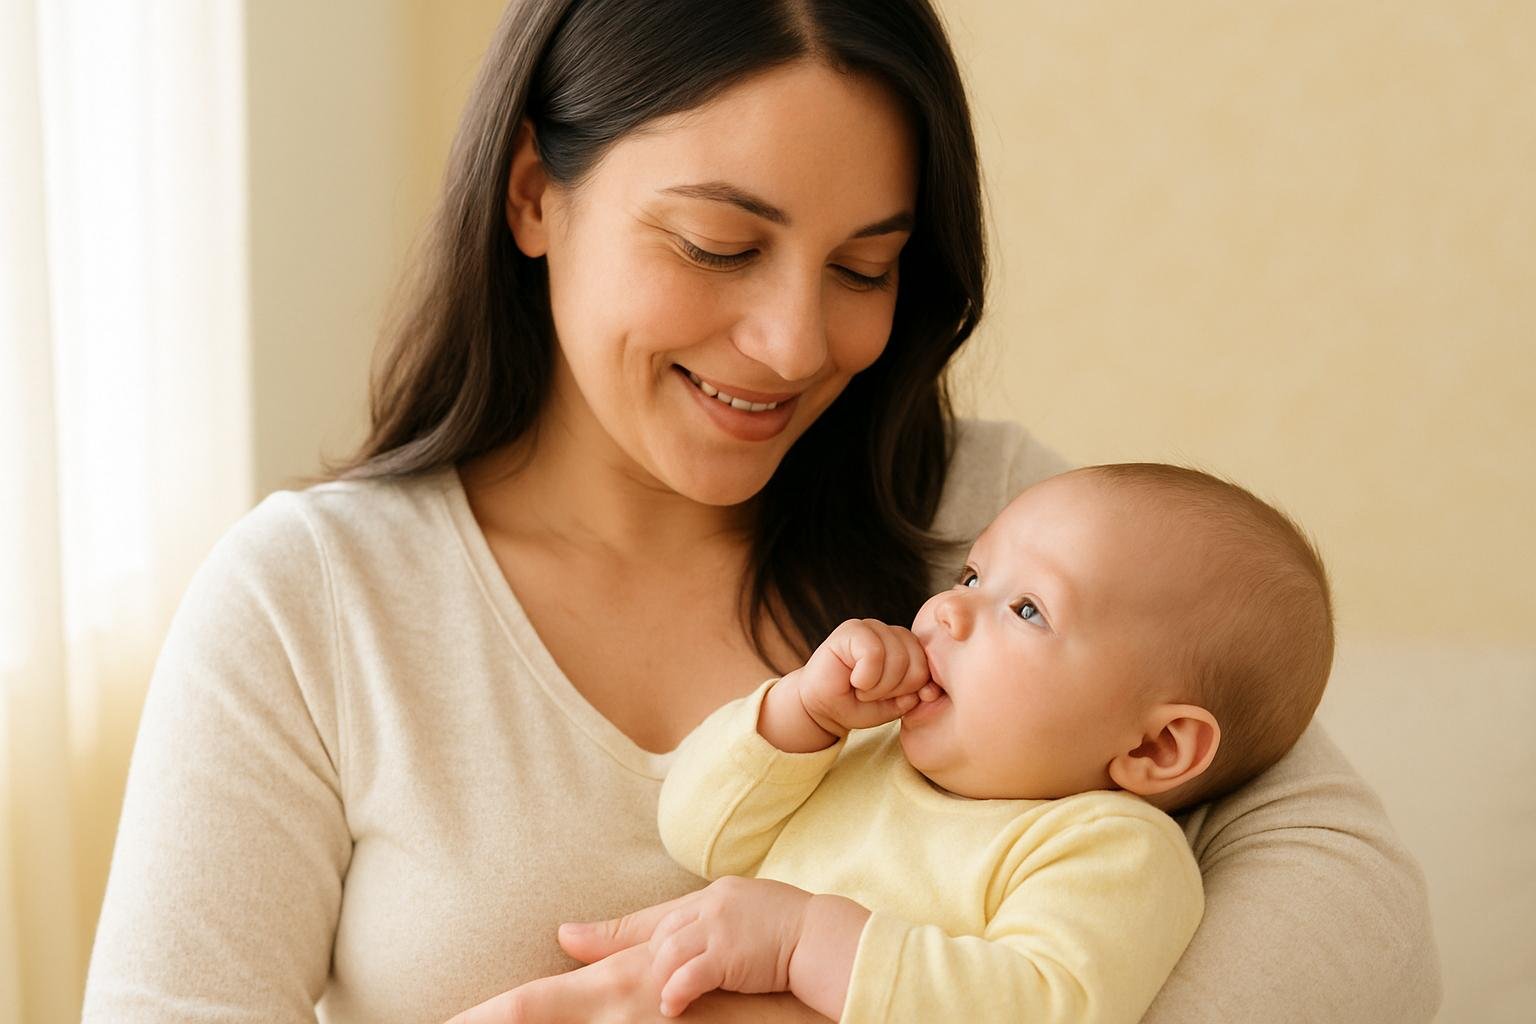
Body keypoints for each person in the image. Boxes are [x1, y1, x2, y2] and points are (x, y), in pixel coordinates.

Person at [81, 1, 1440, 1022]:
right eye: (718, 246)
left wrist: (813, 993)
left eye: (866, 267)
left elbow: (1362, 921)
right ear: (535, 191)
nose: (795, 345)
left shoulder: (1006, 523)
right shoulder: (315, 600)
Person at [545, 464, 1331, 1023]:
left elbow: (1040, 1004)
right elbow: (696, 835)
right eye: (970, 576)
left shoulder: (1109, 850)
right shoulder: (868, 751)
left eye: (1026, 610)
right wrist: (799, 715)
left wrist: (800, 942)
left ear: (1157, 748)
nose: (948, 613)